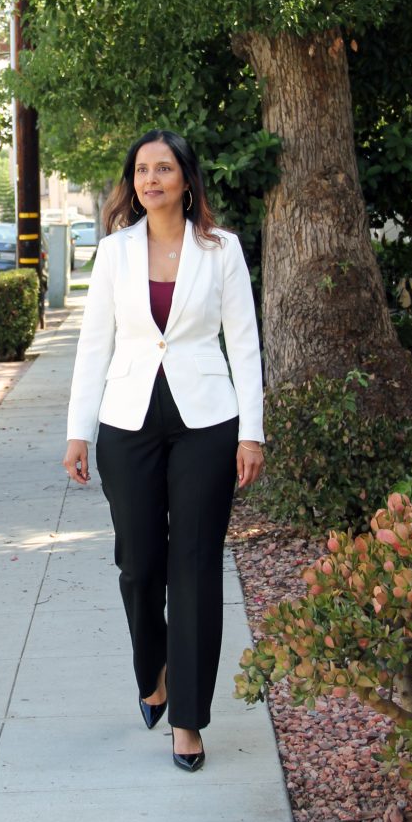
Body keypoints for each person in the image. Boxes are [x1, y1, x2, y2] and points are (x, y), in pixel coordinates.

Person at [63, 129, 264, 772]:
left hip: (207, 419)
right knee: (140, 563)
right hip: (128, 420)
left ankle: (189, 720)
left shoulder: (222, 250)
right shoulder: (115, 253)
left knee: (197, 564)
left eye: (163, 169)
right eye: (141, 170)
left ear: (186, 179)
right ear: (134, 183)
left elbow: (245, 343)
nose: (150, 180)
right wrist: (79, 429)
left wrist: (251, 430)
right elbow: (95, 345)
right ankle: (152, 669)